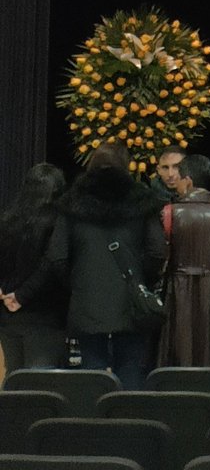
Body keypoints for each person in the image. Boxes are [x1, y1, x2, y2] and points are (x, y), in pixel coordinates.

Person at [50, 143, 166, 388]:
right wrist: (140, 280)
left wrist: (77, 283)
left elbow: (57, 257)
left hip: (87, 303)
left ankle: (93, 424)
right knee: (132, 373)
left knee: (91, 380)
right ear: (126, 166)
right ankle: (130, 423)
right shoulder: (142, 199)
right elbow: (158, 252)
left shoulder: (72, 201)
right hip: (131, 303)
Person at [158, 154, 210, 367]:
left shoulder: (170, 213)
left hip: (178, 294)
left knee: (179, 353)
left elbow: (161, 257)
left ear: (189, 181)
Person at [0, 163, 69, 369]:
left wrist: (5, 291)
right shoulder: (58, 221)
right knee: (40, 386)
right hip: (44, 315)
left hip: (7, 313)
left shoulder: (7, 220)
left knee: (14, 381)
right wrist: (22, 295)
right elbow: (51, 264)